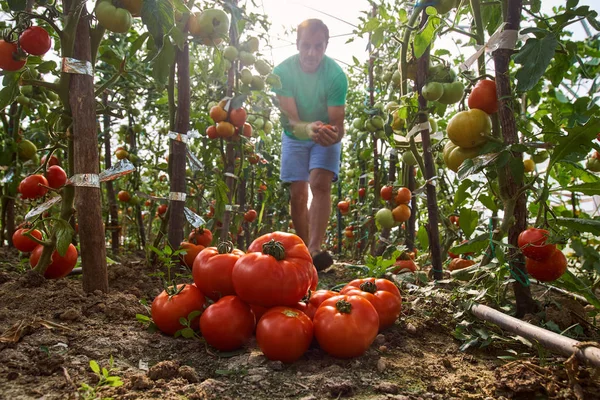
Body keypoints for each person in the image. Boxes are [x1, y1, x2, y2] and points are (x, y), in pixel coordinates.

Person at [272, 19, 348, 270]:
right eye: (306, 46)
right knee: (298, 192)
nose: (311, 53)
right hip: (295, 134)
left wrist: (333, 135)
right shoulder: (282, 73)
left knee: (320, 183)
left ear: (326, 46)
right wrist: (307, 129)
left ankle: (315, 249)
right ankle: (304, 250)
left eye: (318, 46)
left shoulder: (336, 76)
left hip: (324, 133)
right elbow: (291, 120)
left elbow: (338, 123)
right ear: (297, 44)